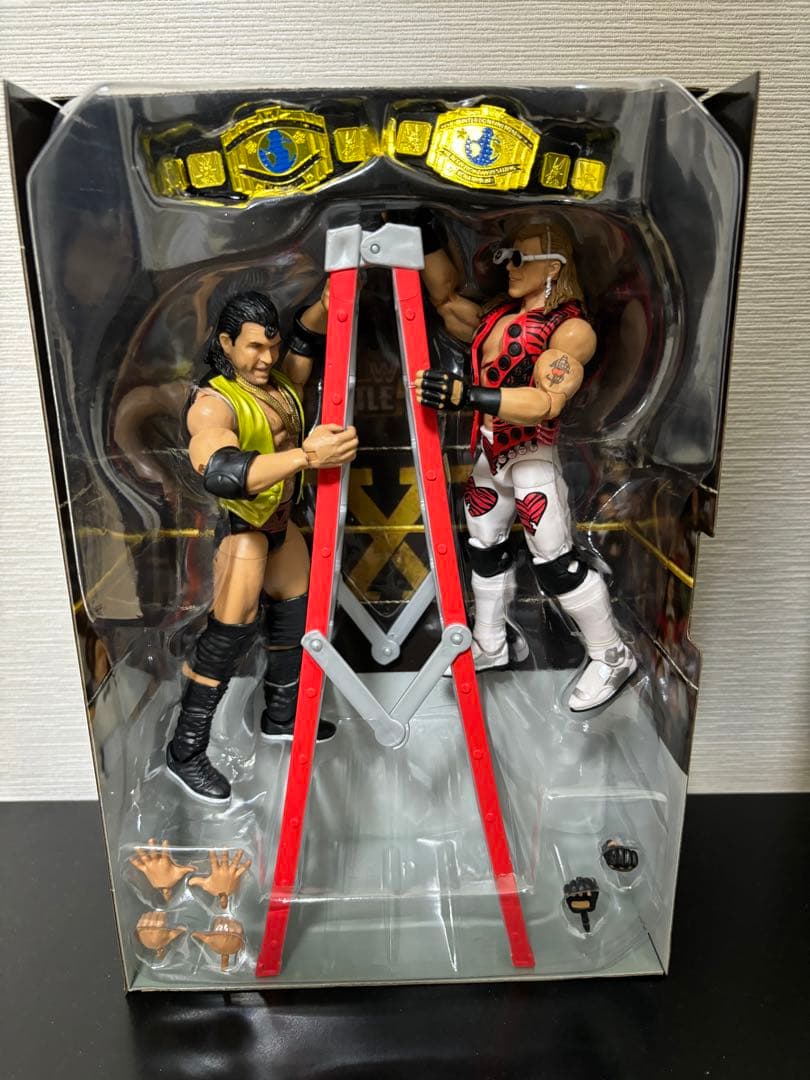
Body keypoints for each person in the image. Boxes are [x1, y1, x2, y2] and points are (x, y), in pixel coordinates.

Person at [415, 217, 636, 711]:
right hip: (488, 452)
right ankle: (491, 642)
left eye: (519, 258)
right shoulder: (497, 316)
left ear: (553, 266)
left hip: (531, 454)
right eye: (504, 256)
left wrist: (469, 395)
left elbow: (546, 403)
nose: (508, 267)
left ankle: (612, 654)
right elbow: (446, 300)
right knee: (483, 547)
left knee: (555, 561)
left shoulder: (571, 330)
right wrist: (425, 233)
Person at [167, 290, 358, 803]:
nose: (267, 358)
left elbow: (307, 337)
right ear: (227, 343)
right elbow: (222, 471)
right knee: (226, 639)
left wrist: (331, 296)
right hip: (244, 530)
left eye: (271, 346)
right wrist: (307, 457)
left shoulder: (279, 383)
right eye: (254, 347)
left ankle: (282, 716)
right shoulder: (214, 402)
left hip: (282, 522)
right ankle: (185, 751)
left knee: (297, 615)